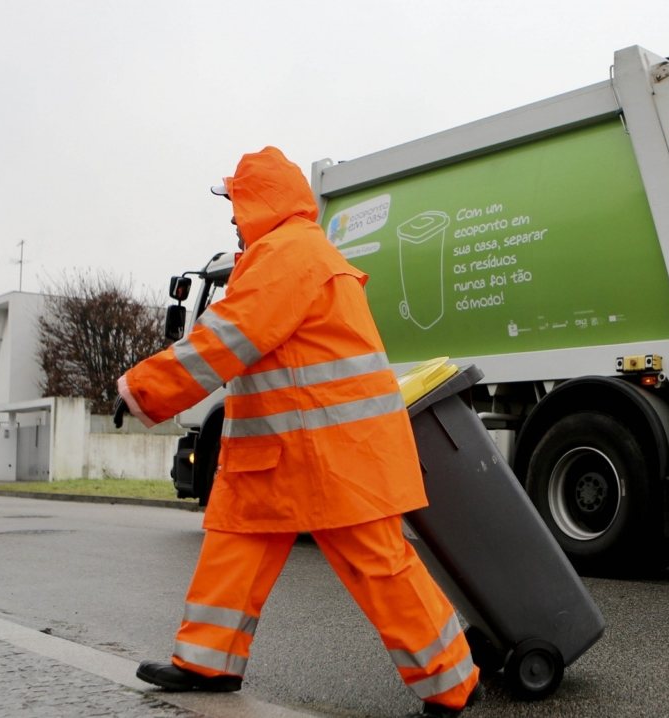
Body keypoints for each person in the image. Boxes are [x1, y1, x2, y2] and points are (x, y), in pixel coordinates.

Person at [115, 146, 480, 717]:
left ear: (259, 200)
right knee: (234, 544)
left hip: (334, 452)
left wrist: (143, 389)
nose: (232, 215)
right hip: (293, 452)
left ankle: (452, 681)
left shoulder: (288, 255)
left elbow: (227, 340)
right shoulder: (288, 254)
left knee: (377, 567)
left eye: (235, 202)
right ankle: (206, 662)